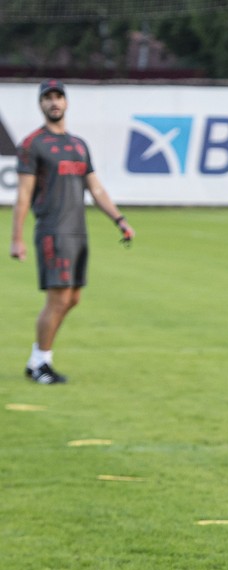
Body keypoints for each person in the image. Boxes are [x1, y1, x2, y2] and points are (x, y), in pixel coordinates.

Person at [10, 79, 134, 384]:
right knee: (58, 299)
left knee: (73, 298)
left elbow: (96, 188)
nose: (54, 102)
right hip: (53, 231)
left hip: (78, 232)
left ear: (66, 102)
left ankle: (37, 359)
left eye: (58, 97)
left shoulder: (79, 145)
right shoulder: (32, 144)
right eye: (48, 98)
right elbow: (23, 195)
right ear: (40, 104)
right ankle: (41, 363)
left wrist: (119, 220)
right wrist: (17, 238)